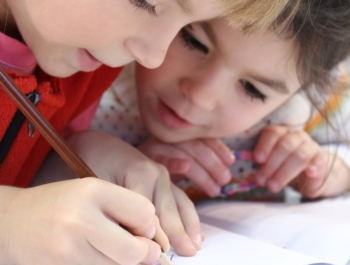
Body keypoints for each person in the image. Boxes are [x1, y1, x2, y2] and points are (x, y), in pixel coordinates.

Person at [0, 0, 299, 264]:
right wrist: (11, 226)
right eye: (145, 2)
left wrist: (63, 166)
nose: (153, 57)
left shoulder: (86, 64)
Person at [90, 0, 350, 205]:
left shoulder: (310, 107)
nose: (200, 97)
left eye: (252, 89)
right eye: (193, 42)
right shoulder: (94, 72)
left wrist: (330, 170)